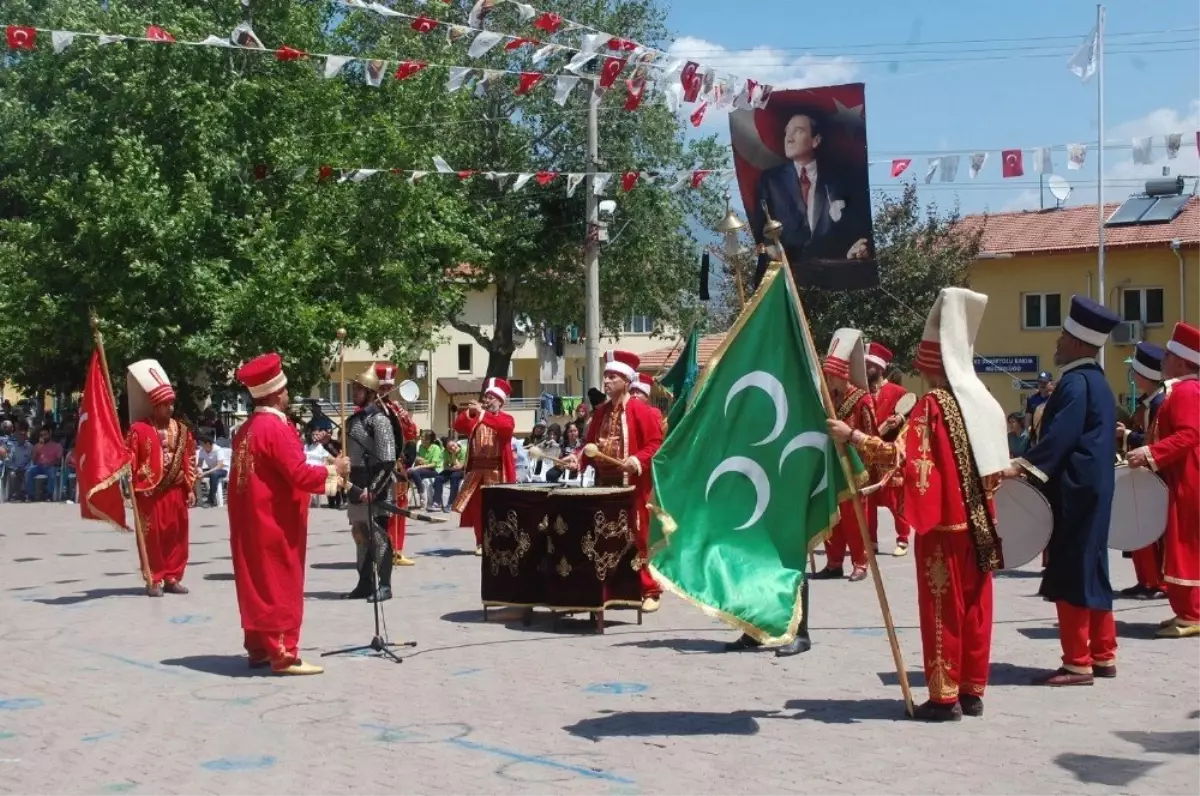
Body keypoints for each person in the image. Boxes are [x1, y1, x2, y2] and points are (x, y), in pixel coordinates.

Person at [830, 287, 1010, 721]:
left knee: (942, 609)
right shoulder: (983, 399)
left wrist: (852, 437)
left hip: (945, 526)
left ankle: (944, 697)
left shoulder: (934, 404)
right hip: (982, 523)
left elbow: (905, 456)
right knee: (976, 608)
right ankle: (971, 690)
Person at [1005, 295, 1120, 685]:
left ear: (1077, 342)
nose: (1056, 342)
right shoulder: (1099, 382)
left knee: (1072, 571)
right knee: (1094, 569)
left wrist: (1020, 467)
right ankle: (1103, 653)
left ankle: (1077, 662)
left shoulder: (1074, 382)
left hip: (1074, 491)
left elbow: (1059, 439)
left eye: (1062, 335)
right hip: (1095, 490)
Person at [227, 352, 349, 675]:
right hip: (274, 522)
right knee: (279, 582)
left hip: (249, 522)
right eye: (284, 390)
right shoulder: (276, 428)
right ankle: (283, 652)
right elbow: (297, 474)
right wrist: (334, 470)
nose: (287, 395)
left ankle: (258, 648)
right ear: (274, 393)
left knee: (255, 583)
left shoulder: (246, 430)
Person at [568, 351, 664, 612]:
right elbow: (590, 446)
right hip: (603, 484)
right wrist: (578, 459)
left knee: (637, 536)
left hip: (631, 484)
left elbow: (655, 443)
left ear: (625, 380)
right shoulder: (600, 413)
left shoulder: (640, 410)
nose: (607, 381)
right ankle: (608, 588)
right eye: (606, 376)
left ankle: (650, 590)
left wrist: (637, 459)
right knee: (603, 536)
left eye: (612, 376)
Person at [1126, 323, 1200, 638]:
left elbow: (1190, 434)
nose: (1164, 360)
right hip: (1179, 476)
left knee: (1186, 544)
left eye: (1169, 355)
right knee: (1178, 543)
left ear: (1182, 362)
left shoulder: (1186, 391)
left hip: (1188, 478)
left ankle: (1194, 612)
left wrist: (1152, 452)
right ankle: (1185, 610)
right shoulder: (1180, 389)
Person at [750, 110, 871, 289]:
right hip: (787, 283)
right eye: (787, 132)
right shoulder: (771, 181)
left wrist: (856, 248)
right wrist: (769, 249)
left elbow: (857, 230)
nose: (789, 138)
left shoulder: (841, 179)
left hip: (834, 283)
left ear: (816, 140)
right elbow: (760, 230)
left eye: (798, 131)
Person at [126, 359, 197, 597]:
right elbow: (131, 459)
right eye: (165, 404)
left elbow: (190, 460)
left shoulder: (183, 430)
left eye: (172, 404)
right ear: (154, 406)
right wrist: (129, 484)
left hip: (176, 490)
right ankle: (154, 578)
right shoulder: (138, 430)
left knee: (177, 536)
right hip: (149, 493)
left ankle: (173, 576)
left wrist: (191, 488)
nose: (170, 408)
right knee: (151, 537)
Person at [813, 329, 877, 583]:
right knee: (833, 517)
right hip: (832, 467)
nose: (828, 382)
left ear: (842, 376)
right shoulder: (829, 400)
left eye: (831, 377)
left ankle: (860, 562)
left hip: (855, 469)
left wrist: (868, 471)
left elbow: (871, 434)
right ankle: (833, 562)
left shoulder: (861, 399)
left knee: (854, 520)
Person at [342, 365, 399, 602]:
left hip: (377, 484)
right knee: (359, 536)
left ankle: (384, 585)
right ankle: (364, 583)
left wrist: (374, 490)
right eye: (354, 388)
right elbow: (348, 456)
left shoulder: (380, 421)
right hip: (356, 483)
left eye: (360, 389)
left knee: (378, 537)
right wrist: (327, 444)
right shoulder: (353, 420)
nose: (355, 392)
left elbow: (388, 460)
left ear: (372, 393)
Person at [1116, 342, 1167, 599]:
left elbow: (1154, 441)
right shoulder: (1148, 402)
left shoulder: (1159, 403)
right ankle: (1144, 579)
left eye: (1134, 371)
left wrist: (1127, 436)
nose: (1132, 375)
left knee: (1149, 531)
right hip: (1143, 473)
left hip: (1154, 475)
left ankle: (1156, 581)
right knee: (1138, 529)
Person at [452, 378, 517, 555]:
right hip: (477, 472)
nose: (486, 401)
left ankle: (498, 540)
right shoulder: (477, 418)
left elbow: (503, 428)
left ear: (500, 401)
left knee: (498, 507)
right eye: (485, 397)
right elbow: (457, 426)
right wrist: (469, 413)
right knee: (478, 508)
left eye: (490, 398)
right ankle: (481, 541)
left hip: (497, 472)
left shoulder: (507, 419)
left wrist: (481, 414)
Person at [866, 341, 913, 557]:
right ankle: (871, 542)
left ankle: (902, 539)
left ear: (880, 368)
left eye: (869, 365)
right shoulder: (862, 393)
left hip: (890, 454)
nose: (866, 368)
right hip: (868, 453)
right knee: (868, 501)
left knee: (895, 500)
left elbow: (913, 417)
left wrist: (901, 418)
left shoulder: (898, 391)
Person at [374, 364, 419, 566]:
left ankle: (397, 550)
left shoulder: (394, 408)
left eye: (387, 388)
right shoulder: (367, 409)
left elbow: (411, 434)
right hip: (376, 465)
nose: (385, 392)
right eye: (381, 388)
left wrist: (405, 417)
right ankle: (381, 551)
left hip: (397, 465)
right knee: (380, 509)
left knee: (400, 507)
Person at [25, 426, 64, 501]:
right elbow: (33, 459)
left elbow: (59, 460)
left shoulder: (56, 445)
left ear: (49, 434)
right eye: (41, 435)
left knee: (51, 474)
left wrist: (51, 464)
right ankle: (31, 495)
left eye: (45, 434)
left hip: (51, 466)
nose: (43, 436)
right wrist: (38, 448)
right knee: (28, 472)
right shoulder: (37, 445)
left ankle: (48, 495)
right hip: (39, 466)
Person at [408, 431, 443, 505]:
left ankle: (421, 493)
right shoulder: (421, 447)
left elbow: (433, 465)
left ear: (428, 440)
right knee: (409, 472)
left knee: (415, 472)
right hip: (424, 469)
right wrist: (417, 462)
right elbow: (420, 460)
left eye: (423, 437)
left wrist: (418, 467)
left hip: (435, 470)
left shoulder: (436, 448)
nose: (421, 438)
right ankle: (407, 499)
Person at [194, 436, 230, 507]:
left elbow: (219, 465)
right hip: (211, 469)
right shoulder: (202, 451)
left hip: (222, 470)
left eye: (202, 444)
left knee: (213, 474)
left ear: (207, 444)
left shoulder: (218, 450)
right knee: (197, 474)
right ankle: (198, 499)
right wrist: (200, 470)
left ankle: (211, 499)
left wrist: (205, 473)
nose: (201, 445)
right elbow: (199, 464)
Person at [432, 439, 466, 511]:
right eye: (450, 448)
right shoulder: (446, 452)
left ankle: (451, 503)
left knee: (454, 476)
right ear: (447, 450)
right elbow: (445, 466)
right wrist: (452, 468)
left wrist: (453, 455)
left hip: (463, 470)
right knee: (438, 478)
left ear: (456, 443)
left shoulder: (464, 450)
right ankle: (437, 502)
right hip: (452, 469)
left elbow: (460, 467)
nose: (453, 448)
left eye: (453, 445)